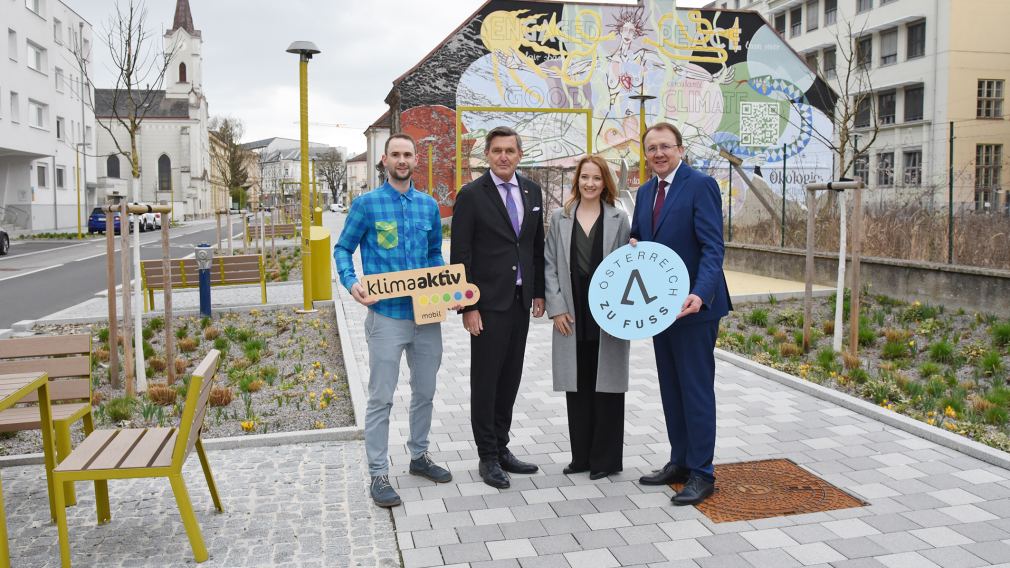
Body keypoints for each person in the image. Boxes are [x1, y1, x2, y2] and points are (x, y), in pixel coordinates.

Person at [334, 133, 452, 508]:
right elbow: (342, 249)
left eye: (408, 155)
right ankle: (379, 473)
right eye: (396, 155)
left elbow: (435, 253)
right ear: (384, 160)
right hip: (386, 317)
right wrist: (352, 284)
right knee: (381, 397)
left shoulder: (428, 206)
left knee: (425, 392)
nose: (402, 160)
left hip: (426, 316)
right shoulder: (366, 205)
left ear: (416, 160)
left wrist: (445, 283)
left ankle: (419, 456)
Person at [631, 123, 731, 506]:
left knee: (695, 389)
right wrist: (633, 242)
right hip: (660, 309)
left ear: (680, 149)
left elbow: (712, 248)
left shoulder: (700, 184)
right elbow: (641, 237)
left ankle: (703, 473)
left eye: (665, 147)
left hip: (694, 309)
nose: (658, 153)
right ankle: (680, 462)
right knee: (671, 388)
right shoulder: (643, 192)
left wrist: (699, 294)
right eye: (651, 148)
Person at [450, 126, 546, 489]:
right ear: (486, 156)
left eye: (510, 150)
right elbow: (460, 255)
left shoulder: (531, 191)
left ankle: (503, 447)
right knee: (486, 380)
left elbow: (535, 246)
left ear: (519, 154)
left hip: (521, 301)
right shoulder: (472, 195)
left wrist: (538, 294)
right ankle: (487, 456)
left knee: (510, 377)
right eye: (497, 151)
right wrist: (467, 307)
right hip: (487, 305)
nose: (504, 156)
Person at [545, 155, 631, 480]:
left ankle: (606, 459)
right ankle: (581, 456)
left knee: (606, 386)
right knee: (577, 386)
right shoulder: (560, 217)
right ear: (577, 181)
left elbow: (628, 266)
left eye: (596, 178)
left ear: (605, 181)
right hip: (572, 309)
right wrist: (556, 308)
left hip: (607, 313)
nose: (590, 184)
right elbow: (549, 264)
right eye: (585, 178)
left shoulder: (619, 218)